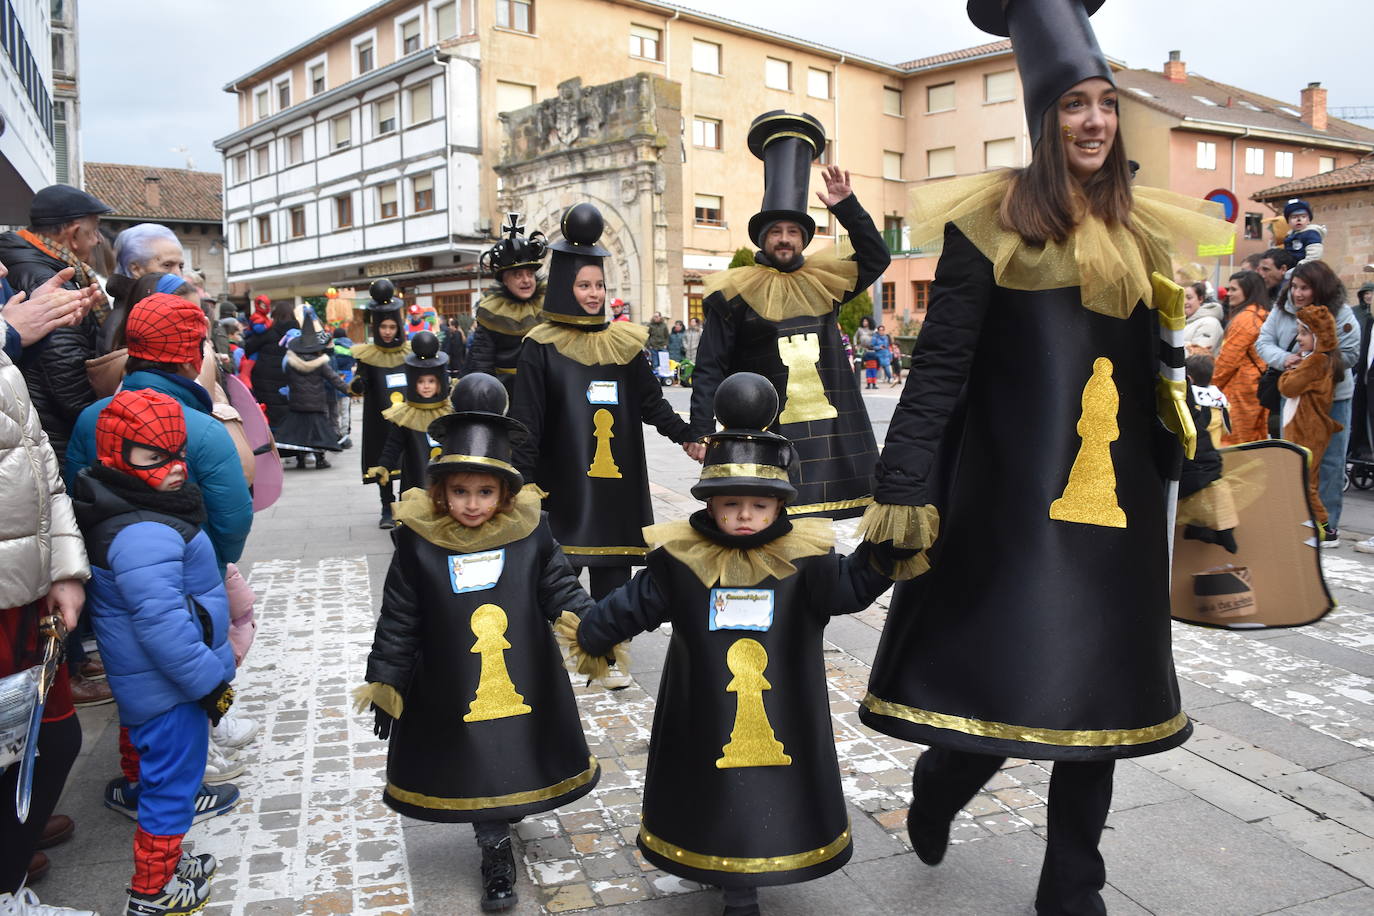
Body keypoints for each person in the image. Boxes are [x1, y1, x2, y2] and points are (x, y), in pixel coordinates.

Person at [856, 2, 1232, 912]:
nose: (1094, 121)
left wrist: (1206, 465)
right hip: (1011, 508)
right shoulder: (987, 228)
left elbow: (1165, 372)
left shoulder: (1143, 239)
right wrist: (903, 486)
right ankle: (946, 782)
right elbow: (939, 369)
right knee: (1011, 675)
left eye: (1105, 103)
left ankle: (1073, 880)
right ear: (1043, 120)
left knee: (1099, 697)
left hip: (1121, 514)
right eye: (1074, 106)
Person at [563, 373, 893, 916]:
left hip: (784, 708)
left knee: (769, 785)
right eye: (731, 503)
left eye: (759, 506)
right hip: (703, 711)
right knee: (713, 790)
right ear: (710, 503)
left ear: (780, 506)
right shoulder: (682, 560)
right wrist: (596, 633)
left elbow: (851, 587)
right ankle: (722, 864)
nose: (745, 516)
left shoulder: (804, 559)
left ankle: (753, 872)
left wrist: (887, 552)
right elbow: (637, 601)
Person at [357, 373, 599, 913]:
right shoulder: (419, 544)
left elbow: (560, 589)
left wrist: (594, 632)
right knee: (476, 765)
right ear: (439, 491)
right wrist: (387, 679)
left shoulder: (530, 533)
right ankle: (494, 851)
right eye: (460, 492)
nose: (472, 504)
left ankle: (504, 809)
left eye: (485, 492)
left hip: (524, 674)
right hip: (451, 680)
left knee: (512, 752)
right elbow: (400, 616)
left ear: (505, 492)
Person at [71, 390, 235, 916]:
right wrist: (211, 683)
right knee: (172, 790)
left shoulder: (136, 509)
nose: (174, 468)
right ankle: (153, 892)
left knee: (158, 777)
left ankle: (165, 866)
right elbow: (163, 626)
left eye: (177, 452)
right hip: (171, 689)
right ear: (118, 455)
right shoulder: (144, 532)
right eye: (153, 455)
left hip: (154, 685)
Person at [689, 114, 889, 519]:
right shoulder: (734, 294)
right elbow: (711, 365)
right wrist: (698, 430)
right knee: (767, 523)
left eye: (793, 232)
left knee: (822, 535)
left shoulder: (824, 283)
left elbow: (876, 257)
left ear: (803, 239)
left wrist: (847, 208)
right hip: (766, 430)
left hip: (828, 430)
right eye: (776, 231)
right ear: (763, 239)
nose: (784, 238)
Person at [511, 203, 694, 608]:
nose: (594, 294)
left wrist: (687, 437)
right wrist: (521, 485)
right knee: (557, 583)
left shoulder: (624, 345)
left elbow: (652, 404)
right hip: (561, 487)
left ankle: (610, 657)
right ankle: (558, 659)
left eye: (599, 286)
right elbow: (526, 424)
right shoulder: (539, 348)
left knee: (613, 576)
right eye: (584, 286)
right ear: (564, 287)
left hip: (616, 488)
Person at [0, 288, 95, 916]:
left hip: (24, 589)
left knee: (47, 741)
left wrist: (64, 568)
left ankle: (10, 873)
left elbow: (39, 464)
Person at [0, 184, 111, 465]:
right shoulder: (48, 277)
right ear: (73, 233)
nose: (98, 240)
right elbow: (66, 375)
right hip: (56, 433)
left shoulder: (25, 264)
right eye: (94, 230)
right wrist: (101, 427)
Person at [1256, 259, 1359, 547]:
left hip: (1332, 398)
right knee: (1294, 459)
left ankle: (1328, 528)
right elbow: (1263, 342)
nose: (1298, 293)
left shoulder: (1341, 313)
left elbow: (1351, 353)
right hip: (1293, 398)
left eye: (1305, 288)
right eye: (1295, 287)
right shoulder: (1282, 309)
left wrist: (1317, 362)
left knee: (1330, 463)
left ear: (1320, 288)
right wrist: (1285, 359)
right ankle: (1297, 521)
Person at [350, 280, 412, 529]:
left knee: (410, 458)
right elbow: (361, 382)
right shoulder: (367, 355)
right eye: (383, 326)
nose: (387, 331)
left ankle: (405, 503)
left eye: (391, 326)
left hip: (408, 416)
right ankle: (386, 506)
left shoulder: (409, 353)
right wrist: (357, 385)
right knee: (382, 458)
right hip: (379, 417)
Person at [1277, 306, 1342, 536]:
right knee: (1303, 479)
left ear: (1319, 336)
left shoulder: (1316, 361)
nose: (1299, 338)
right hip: (1308, 427)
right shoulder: (1317, 360)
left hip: (1308, 429)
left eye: (1304, 333)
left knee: (1306, 481)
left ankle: (1324, 528)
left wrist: (1288, 371)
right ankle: (1309, 525)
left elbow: (1288, 387)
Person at [469, 214, 547, 395]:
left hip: (544, 391)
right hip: (506, 393)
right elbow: (482, 365)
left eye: (529, 273)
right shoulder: (491, 313)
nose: (526, 280)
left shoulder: (548, 306)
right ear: (505, 279)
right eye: (518, 275)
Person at [368, 331, 452, 495]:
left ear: (439, 382)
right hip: (415, 480)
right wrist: (384, 466)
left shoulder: (450, 412)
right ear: (413, 383)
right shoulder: (406, 415)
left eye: (431, 381)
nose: (426, 386)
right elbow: (393, 444)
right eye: (421, 382)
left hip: (446, 482)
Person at [274, 312, 351, 470]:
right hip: (317, 405)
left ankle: (301, 460)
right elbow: (335, 379)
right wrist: (350, 390)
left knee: (299, 433)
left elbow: (283, 380)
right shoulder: (321, 363)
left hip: (297, 404)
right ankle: (320, 460)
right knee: (319, 434)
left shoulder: (290, 363)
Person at [1213, 270, 1271, 444]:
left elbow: (1227, 361)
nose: (1228, 294)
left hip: (1240, 391)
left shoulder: (1245, 319)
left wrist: (1210, 386)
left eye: (1233, 289)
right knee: (1253, 441)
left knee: (1234, 444)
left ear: (1248, 290)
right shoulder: (1262, 315)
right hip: (1255, 388)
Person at [240, 300, 297, 430]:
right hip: (290, 381)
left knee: (269, 413)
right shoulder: (299, 336)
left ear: (275, 316)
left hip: (264, 381)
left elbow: (248, 348)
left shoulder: (268, 333)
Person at [1183, 281, 1223, 355]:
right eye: (1181, 298)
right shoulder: (1187, 321)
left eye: (1189, 298)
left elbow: (1198, 356)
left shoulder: (1210, 323)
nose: (1184, 302)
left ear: (1200, 299)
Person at [1282, 198, 1324, 263]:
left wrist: (1302, 265)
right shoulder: (1289, 236)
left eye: (1303, 217)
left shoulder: (1311, 233)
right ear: (1288, 221)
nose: (1299, 219)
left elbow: (1315, 254)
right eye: (1294, 217)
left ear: (1309, 220)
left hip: (1306, 267)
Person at [646, 311, 671, 383]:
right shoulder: (650, 325)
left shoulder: (664, 325)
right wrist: (648, 345)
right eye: (654, 317)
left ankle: (664, 378)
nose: (655, 318)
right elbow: (647, 336)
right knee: (655, 363)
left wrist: (666, 344)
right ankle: (657, 379)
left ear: (660, 317)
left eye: (657, 316)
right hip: (653, 346)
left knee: (664, 363)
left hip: (662, 346)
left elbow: (666, 336)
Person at [855, 315, 877, 389]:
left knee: (872, 363)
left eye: (866, 321)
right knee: (859, 361)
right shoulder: (859, 329)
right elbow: (855, 337)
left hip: (870, 349)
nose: (865, 322)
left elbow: (876, 337)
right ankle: (859, 376)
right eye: (863, 321)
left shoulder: (872, 330)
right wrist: (855, 345)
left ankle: (873, 382)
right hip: (861, 348)